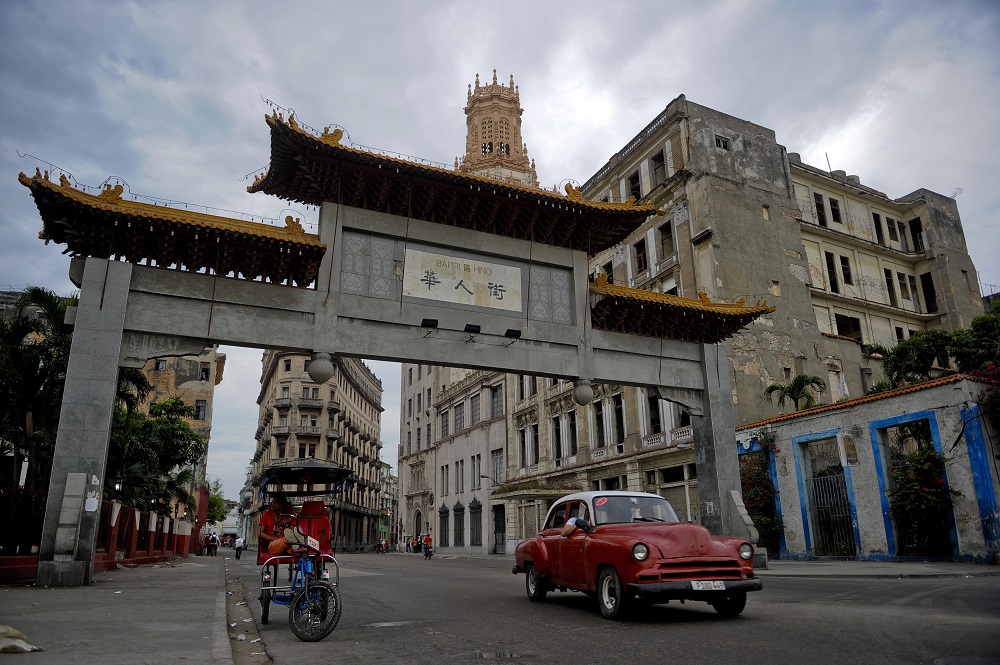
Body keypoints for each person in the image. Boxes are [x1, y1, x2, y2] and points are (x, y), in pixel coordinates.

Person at [258, 492, 296, 565]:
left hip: (286, 546)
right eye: (272, 501)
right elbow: (259, 533)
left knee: (290, 541)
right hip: (270, 545)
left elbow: (291, 533)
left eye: (276, 502)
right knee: (285, 542)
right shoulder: (266, 515)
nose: (272, 504)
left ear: (282, 504)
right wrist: (278, 540)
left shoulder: (291, 516)